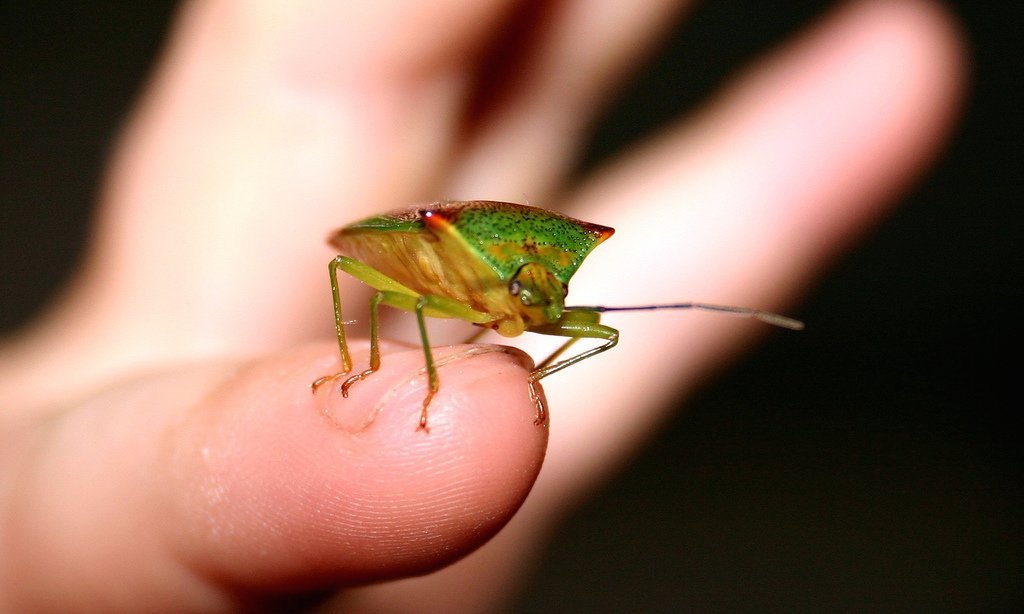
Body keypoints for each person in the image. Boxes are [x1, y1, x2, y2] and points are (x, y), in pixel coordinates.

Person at [0, 0, 963, 610]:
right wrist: (413, 358)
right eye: (545, 283)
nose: (554, 298)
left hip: (477, 264)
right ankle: (372, 365)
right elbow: (417, 262)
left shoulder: (551, 284)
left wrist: (538, 355)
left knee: (584, 334)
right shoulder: (463, 267)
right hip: (425, 246)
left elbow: (561, 313)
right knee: (382, 297)